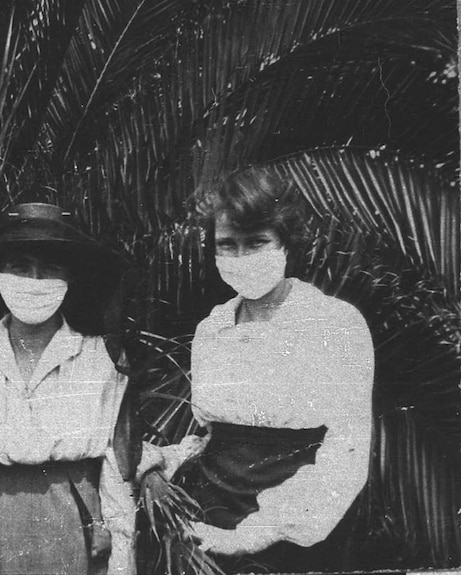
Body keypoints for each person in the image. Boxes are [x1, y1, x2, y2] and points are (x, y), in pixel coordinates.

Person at [144, 167, 374, 572]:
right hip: (208, 513)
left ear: (286, 242)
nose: (241, 257)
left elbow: (346, 450)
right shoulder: (213, 328)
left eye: (256, 242)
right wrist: (168, 459)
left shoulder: (333, 322)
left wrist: (255, 534)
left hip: (293, 526)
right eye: (227, 245)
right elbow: (213, 435)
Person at [0, 203, 138, 575]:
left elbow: (117, 474)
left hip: (72, 526)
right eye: (20, 267)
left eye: (50, 269)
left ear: (70, 278)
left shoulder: (100, 359)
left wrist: (121, 560)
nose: (34, 282)